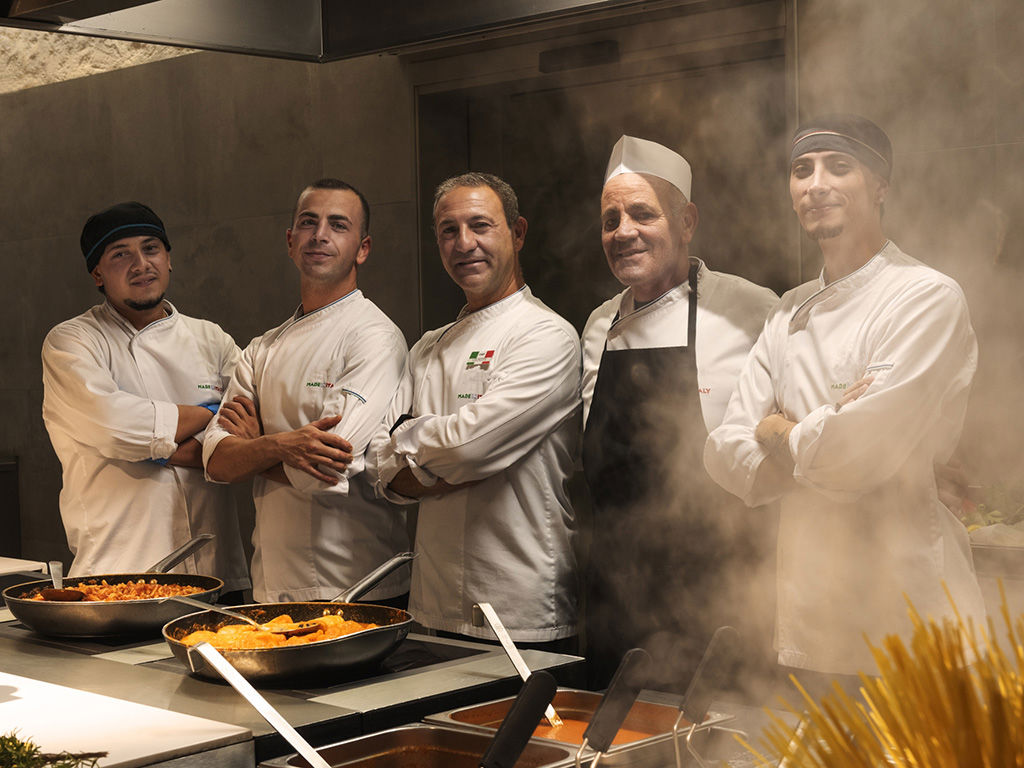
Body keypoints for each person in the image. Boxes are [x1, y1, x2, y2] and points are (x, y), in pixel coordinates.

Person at [703, 115, 986, 679]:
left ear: (880, 187)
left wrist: (779, 430)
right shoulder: (786, 311)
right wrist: (827, 442)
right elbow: (723, 451)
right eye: (801, 170)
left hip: (910, 613)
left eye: (839, 167)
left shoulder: (925, 296)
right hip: (811, 613)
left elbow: (858, 452)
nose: (816, 185)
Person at [581, 136, 779, 690]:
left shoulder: (751, 310)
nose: (623, 231)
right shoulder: (597, 326)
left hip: (725, 593)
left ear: (687, 221)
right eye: (611, 220)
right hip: (617, 595)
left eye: (643, 214)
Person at [368, 172, 581, 648]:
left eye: (480, 225)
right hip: (433, 602)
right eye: (449, 230)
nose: (464, 243)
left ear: (517, 233)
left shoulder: (547, 336)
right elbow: (377, 466)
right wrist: (452, 455)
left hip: (521, 604)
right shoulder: (427, 347)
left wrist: (411, 438)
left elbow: (469, 448)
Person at [202, 178, 410, 604]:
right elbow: (217, 462)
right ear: (290, 241)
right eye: (308, 222)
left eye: (338, 225)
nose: (320, 235)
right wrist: (281, 446)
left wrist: (255, 448)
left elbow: (327, 468)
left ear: (363, 248)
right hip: (270, 583)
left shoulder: (375, 337)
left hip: (358, 586)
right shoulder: (261, 349)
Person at [41, 202, 249, 592]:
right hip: (118, 571)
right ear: (98, 274)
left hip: (217, 571)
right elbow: (115, 427)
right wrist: (212, 416)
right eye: (121, 254)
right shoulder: (72, 341)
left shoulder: (212, 339)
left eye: (151, 248)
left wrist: (158, 445)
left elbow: (250, 428)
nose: (141, 264)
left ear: (168, 259)